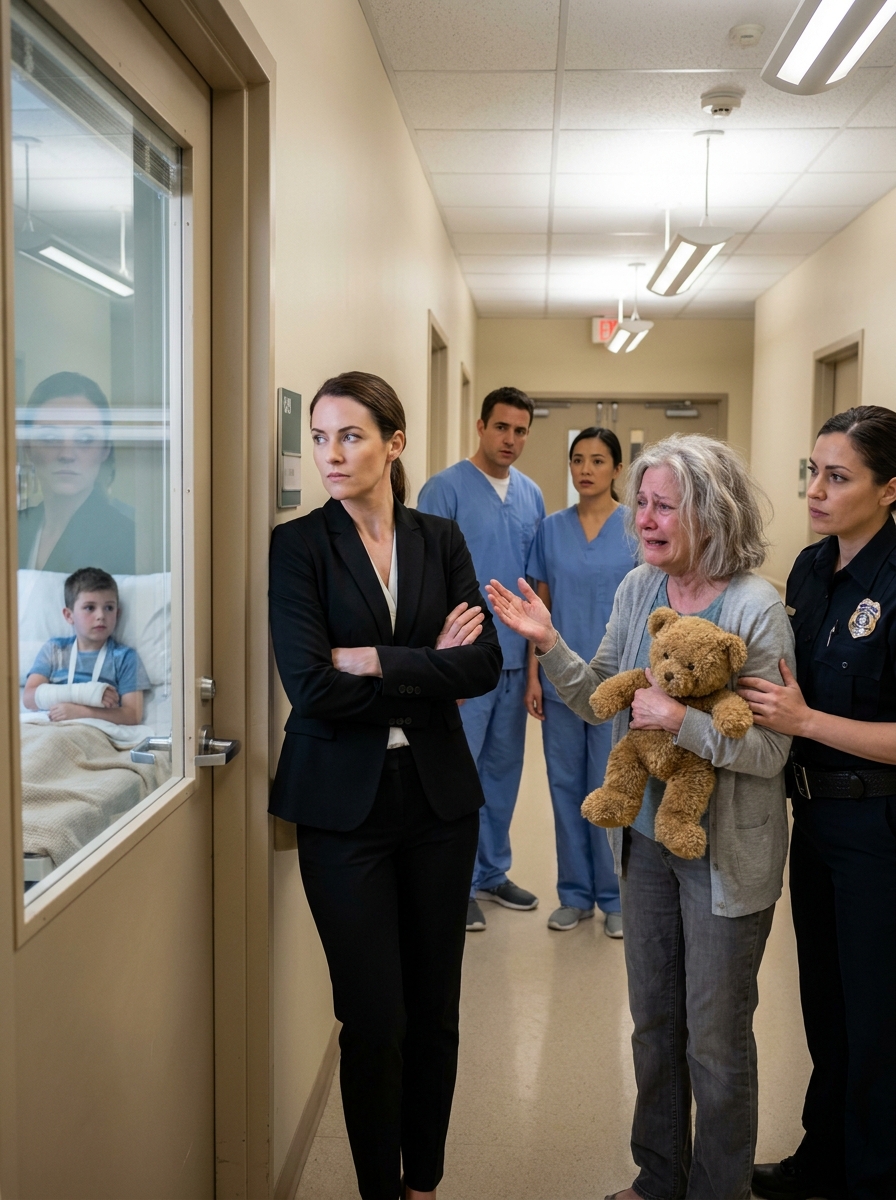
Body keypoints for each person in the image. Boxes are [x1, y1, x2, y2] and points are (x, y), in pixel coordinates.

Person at [486, 433, 795, 1200]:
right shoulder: (638, 589)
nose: (645, 520)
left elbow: (771, 753)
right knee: (654, 1027)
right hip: (649, 844)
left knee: (716, 1041)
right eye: (644, 504)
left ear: (710, 513)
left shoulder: (756, 608)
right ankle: (659, 1177)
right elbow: (600, 695)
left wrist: (681, 722)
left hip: (726, 855)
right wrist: (548, 643)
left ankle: (718, 1190)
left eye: (664, 507)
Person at [268, 371, 502, 1200]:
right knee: (374, 1019)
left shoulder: (439, 539)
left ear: (394, 444)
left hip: (438, 802)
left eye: (351, 436)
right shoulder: (299, 546)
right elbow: (311, 687)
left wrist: (374, 659)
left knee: (434, 1009)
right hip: (342, 809)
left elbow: (484, 663)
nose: (331, 454)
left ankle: (423, 1182)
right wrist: (427, 666)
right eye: (320, 438)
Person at [741, 405, 896, 1200]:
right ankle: (824, 1159)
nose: (817, 490)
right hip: (813, 819)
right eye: (814, 472)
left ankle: (874, 1176)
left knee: (877, 1019)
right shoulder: (808, 569)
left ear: (890, 488)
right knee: (826, 1006)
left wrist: (806, 723)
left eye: (839, 477)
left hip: (879, 827)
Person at [417, 385, 545, 932]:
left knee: (502, 771)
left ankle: (492, 871)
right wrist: (444, 665)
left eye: (520, 431)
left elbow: (535, 583)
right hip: (465, 660)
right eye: (501, 427)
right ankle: (457, 883)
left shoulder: (532, 495)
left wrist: (534, 664)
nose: (510, 439)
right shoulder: (443, 490)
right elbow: (424, 578)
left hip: (513, 661)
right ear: (481, 426)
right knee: (458, 771)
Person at [525, 427, 637, 936]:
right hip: (560, 683)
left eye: (597, 460)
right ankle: (573, 894)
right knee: (566, 787)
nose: (585, 469)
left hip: (618, 685)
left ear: (617, 469)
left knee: (611, 787)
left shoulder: (635, 527)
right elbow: (540, 609)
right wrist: (533, 675)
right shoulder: (551, 529)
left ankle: (615, 897)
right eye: (577, 459)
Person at [17, 371, 135, 574]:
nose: (66, 454)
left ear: (105, 449)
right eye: (50, 437)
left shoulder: (127, 539)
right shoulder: (13, 529)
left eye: (85, 439)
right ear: (28, 448)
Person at [23, 566, 149, 725]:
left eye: (109, 608)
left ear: (117, 614)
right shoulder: (54, 650)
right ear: (69, 616)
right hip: (50, 726)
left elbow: (132, 715)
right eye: (90, 608)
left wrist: (81, 713)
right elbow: (29, 699)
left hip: (93, 731)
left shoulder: (125, 657)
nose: (101, 616)